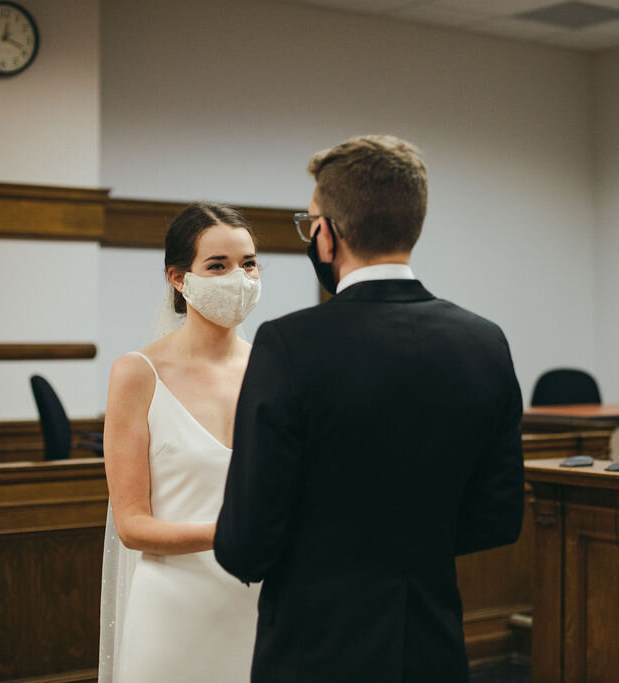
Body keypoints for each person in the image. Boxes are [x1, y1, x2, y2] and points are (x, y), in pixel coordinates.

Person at [213, 134, 525, 683]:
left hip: (315, 650)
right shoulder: (484, 341)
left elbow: (245, 545)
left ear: (327, 233)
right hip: (432, 646)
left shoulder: (289, 344)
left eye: (310, 222)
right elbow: (497, 519)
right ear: (413, 224)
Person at [98, 202, 262, 682]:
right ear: (177, 278)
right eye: (218, 265)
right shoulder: (137, 374)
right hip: (174, 608)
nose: (240, 278)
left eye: (248, 263)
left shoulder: (274, 367)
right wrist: (233, 534)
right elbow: (132, 526)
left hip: (258, 603)